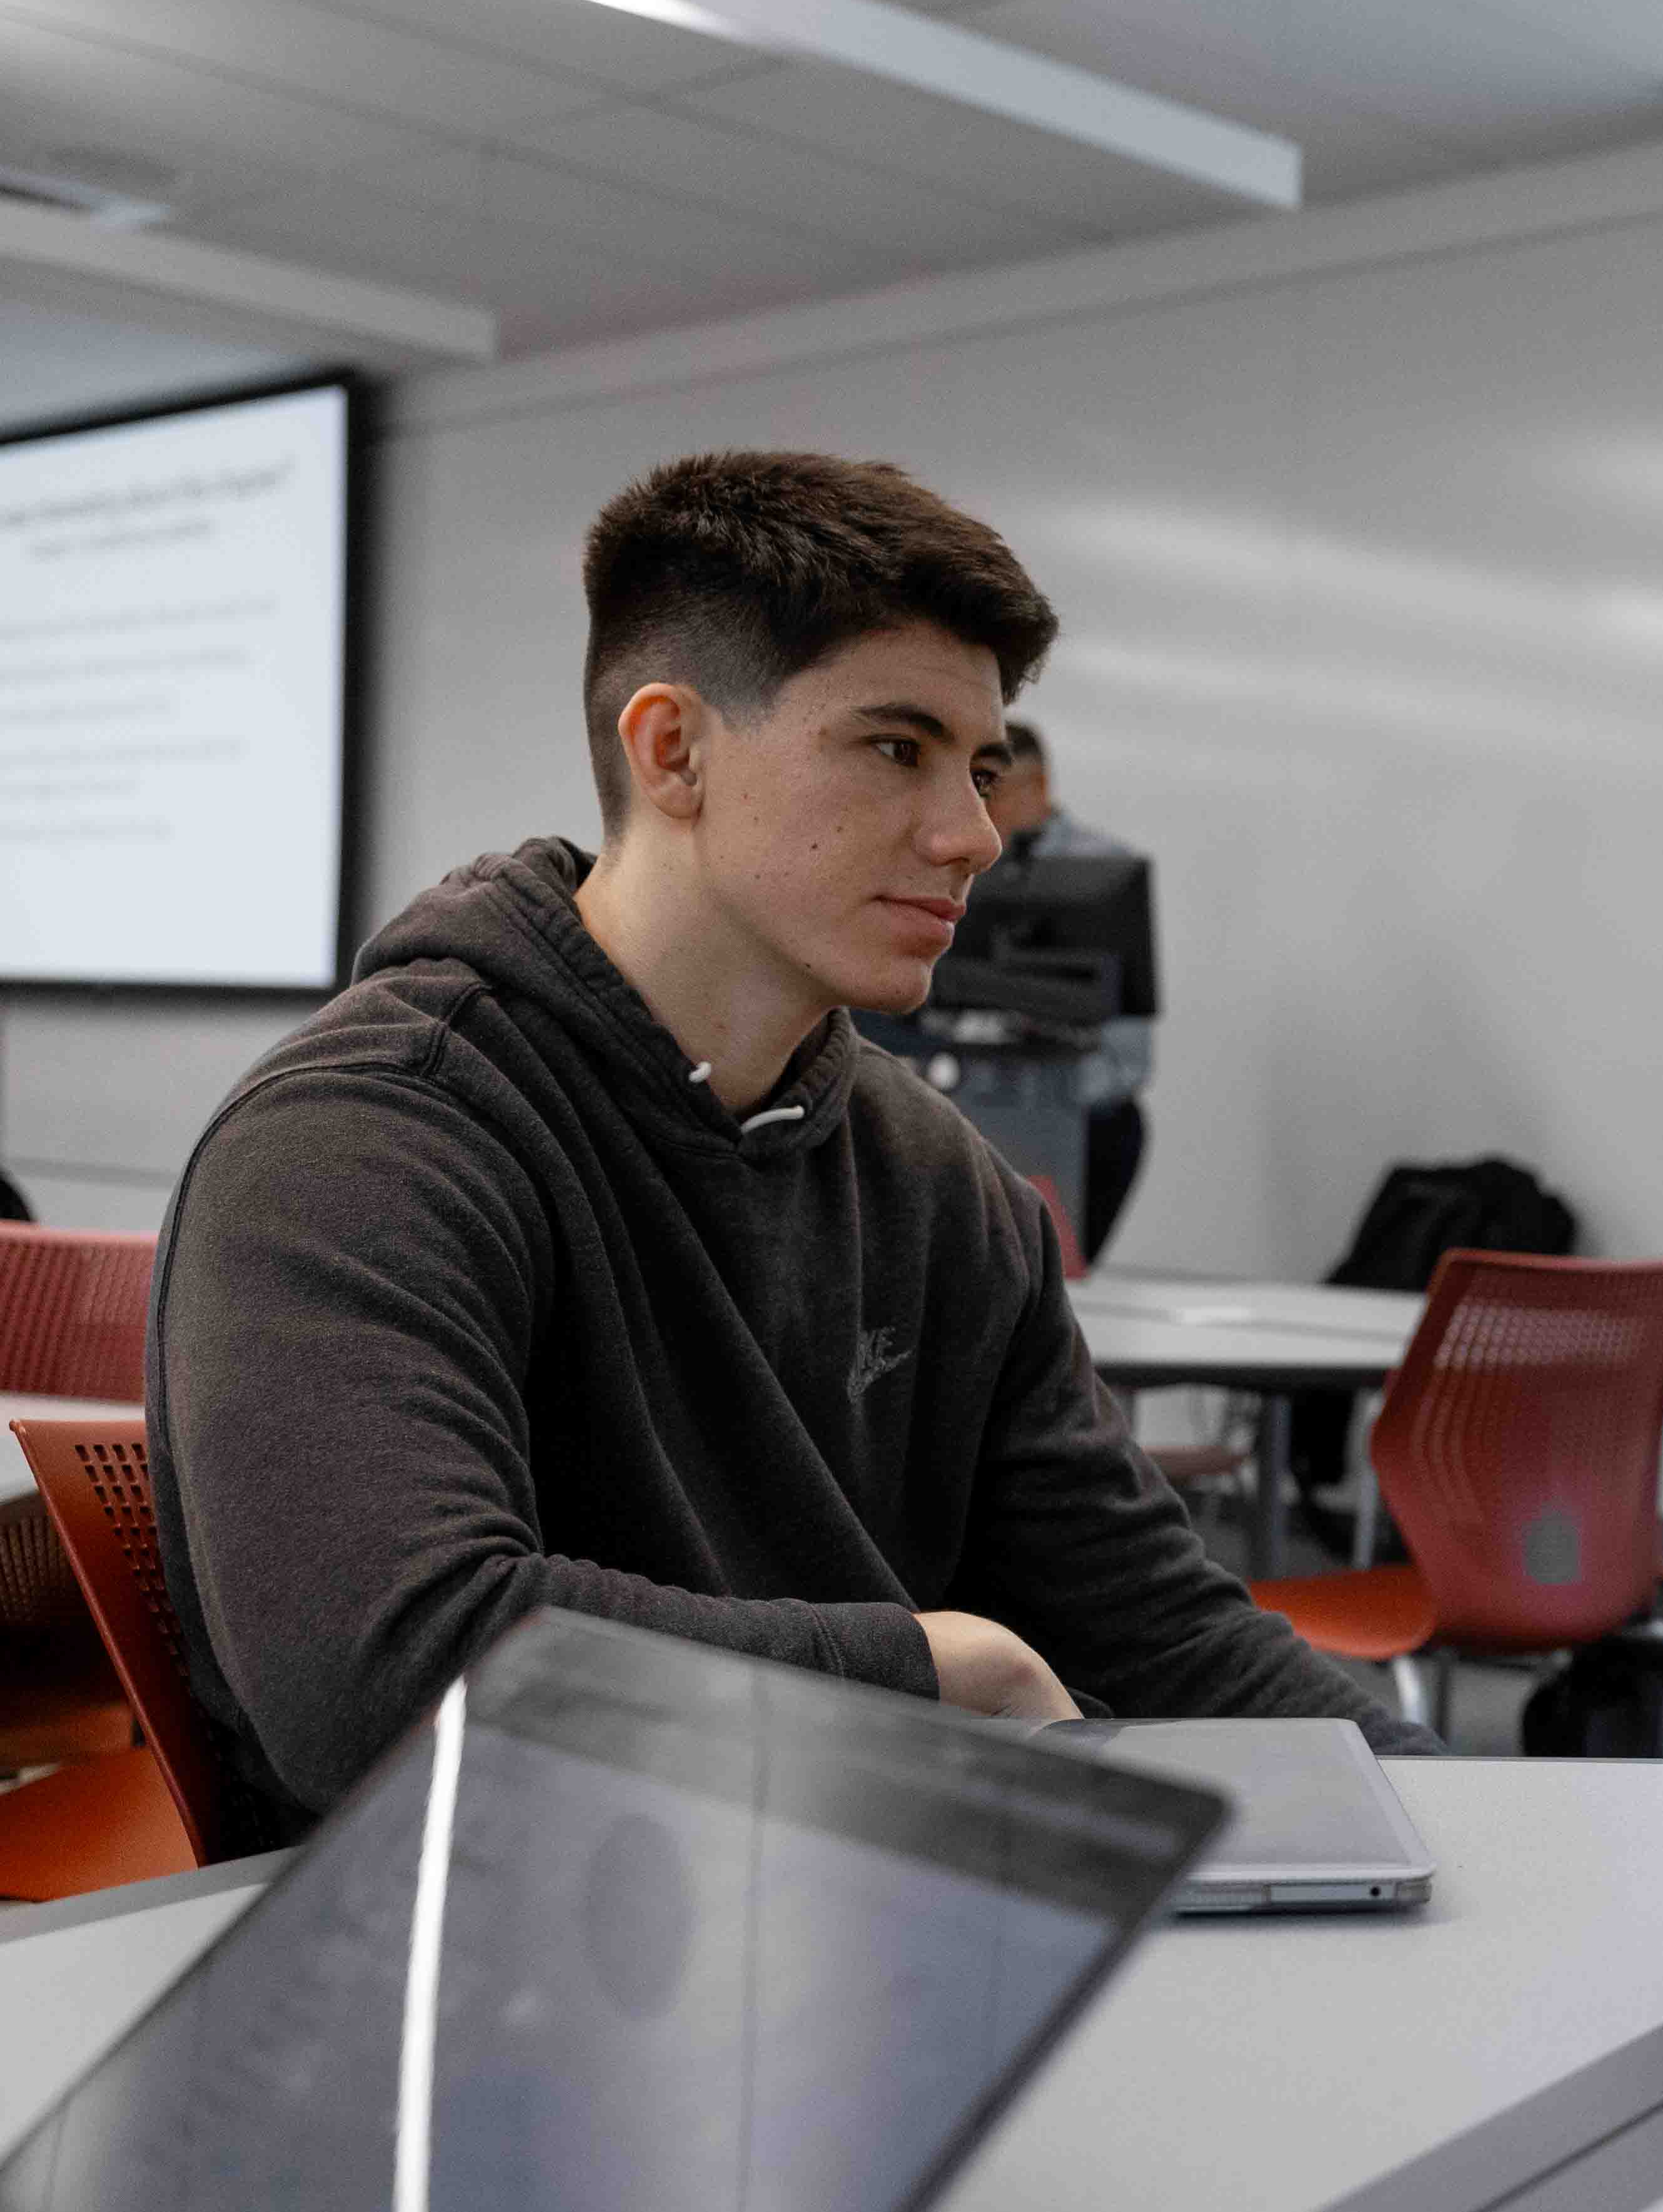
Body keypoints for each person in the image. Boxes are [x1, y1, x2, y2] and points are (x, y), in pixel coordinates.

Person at [150, 450, 1427, 1834]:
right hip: (453, 1970)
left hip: (836, 1908)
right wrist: (939, 1668)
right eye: (896, 749)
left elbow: (1152, 1623)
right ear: (674, 750)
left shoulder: (939, 1181)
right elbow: (381, 1679)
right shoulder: (368, 1138)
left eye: (982, 767)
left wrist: (1506, 1817)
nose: (974, 835)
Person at [979, 716, 1154, 1261]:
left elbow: (1125, 1057)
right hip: (981, 1122)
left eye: (991, 790)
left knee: (1052, 1296)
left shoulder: (1100, 869)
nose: (980, 809)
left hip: (1080, 1127)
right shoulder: (968, 869)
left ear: (1037, 787)